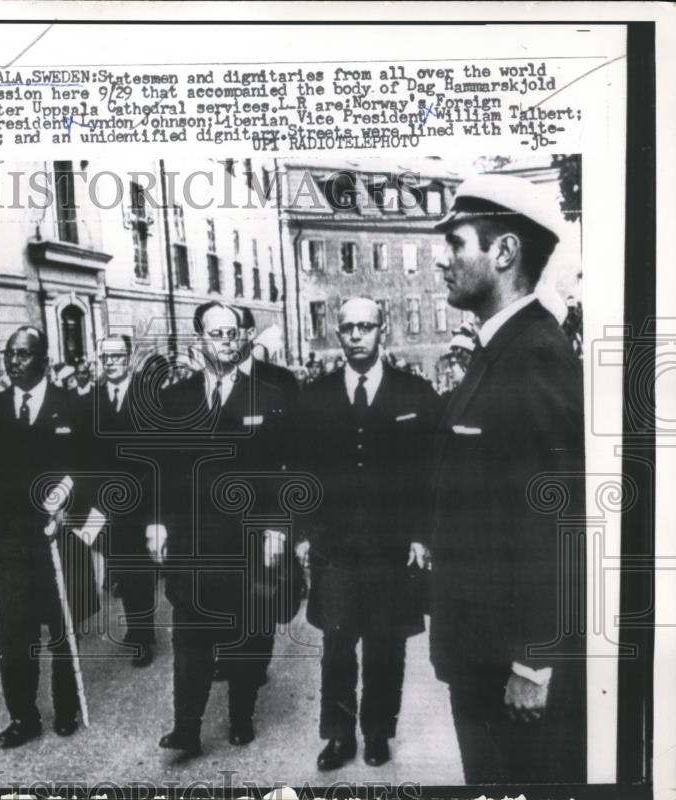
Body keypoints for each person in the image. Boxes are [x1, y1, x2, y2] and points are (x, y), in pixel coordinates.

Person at [431, 174, 586, 783]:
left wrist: (535, 661)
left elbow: (561, 518)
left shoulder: (536, 357)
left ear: (503, 253)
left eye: (457, 243)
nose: (443, 260)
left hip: (507, 667)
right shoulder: (502, 349)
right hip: (481, 653)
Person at [297, 297, 441, 770]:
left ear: (384, 331)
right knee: (337, 646)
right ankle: (339, 735)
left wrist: (422, 535)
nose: (357, 335)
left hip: (391, 550)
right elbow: (300, 476)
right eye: (348, 328)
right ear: (337, 335)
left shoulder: (414, 394)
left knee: (386, 645)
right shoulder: (314, 398)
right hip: (334, 549)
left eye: (366, 326)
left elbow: (430, 473)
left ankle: (378, 729)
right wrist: (302, 533)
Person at [151, 301, 299, 757]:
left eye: (232, 333)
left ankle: (240, 717)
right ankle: (187, 728)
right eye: (216, 333)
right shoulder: (175, 399)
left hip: (249, 539)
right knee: (190, 635)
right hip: (192, 540)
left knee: (249, 631)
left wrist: (278, 527)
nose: (226, 341)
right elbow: (160, 469)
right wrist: (155, 524)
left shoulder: (268, 397)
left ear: (242, 339)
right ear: (200, 341)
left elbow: (283, 471)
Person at [0, 326, 101, 749]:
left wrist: (71, 504)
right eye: (9, 353)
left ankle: (65, 708)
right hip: (10, 541)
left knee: (62, 626)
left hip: (58, 538)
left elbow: (92, 469)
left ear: (44, 359)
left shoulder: (73, 407)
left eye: (23, 354)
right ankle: (22, 716)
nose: (13, 361)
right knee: (12, 633)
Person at [90, 334, 158, 667]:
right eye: (106, 357)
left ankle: (143, 636)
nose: (111, 362)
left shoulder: (148, 396)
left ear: (129, 358)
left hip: (142, 499)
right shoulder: (93, 398)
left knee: (138, 570)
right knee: (121, 567)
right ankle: (137, 626)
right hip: (107, 502)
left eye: (117, 356)